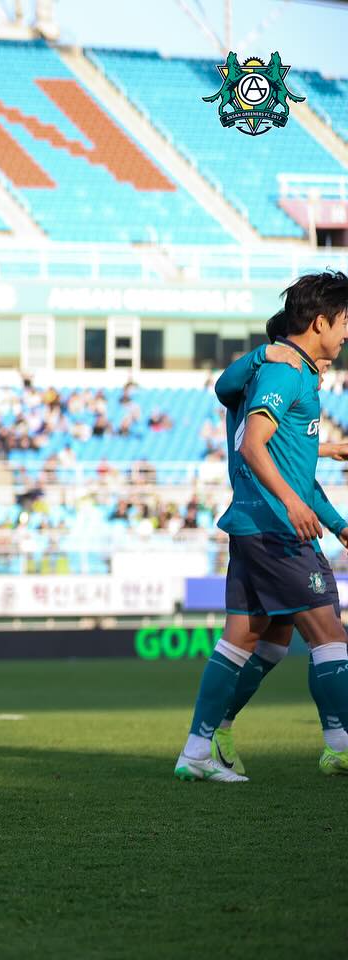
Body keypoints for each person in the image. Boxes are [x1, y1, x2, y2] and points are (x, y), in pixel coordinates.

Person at [174, 272, 348, 783]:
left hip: (255, 522)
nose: (346, 335)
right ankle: (341, 745)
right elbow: (254, 445)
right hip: (274, 526)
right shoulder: (283, 372)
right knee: (329, 635)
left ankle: (199, 748)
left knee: (253, 639)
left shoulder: (287, 372)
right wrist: (293, 504)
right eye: (344, 322)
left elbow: (287, 461)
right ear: (320, 323)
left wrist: (337, 521)